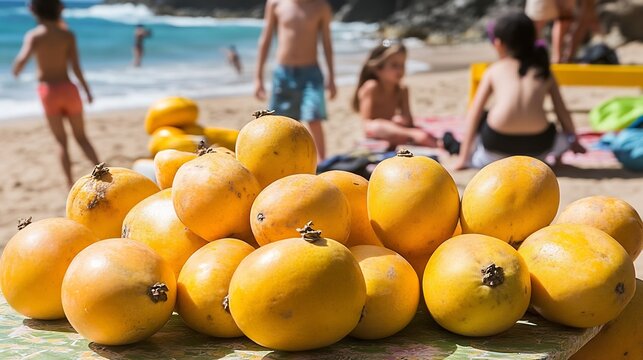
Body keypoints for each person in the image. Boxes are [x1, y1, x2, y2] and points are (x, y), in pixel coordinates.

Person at [454, 12, 586, 171]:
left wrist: (463, 159)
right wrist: (574, 140)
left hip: (497, 146)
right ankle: (558, 158)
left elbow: (474, 114)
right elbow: (561, 111)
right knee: (557, 134)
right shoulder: (543, 70)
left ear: (499, 43)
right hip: (538, 149)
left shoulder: (495, 70)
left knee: (483, 118)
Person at [12, 0, 100, 188]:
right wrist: (87, 90)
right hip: (69, 90)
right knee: (82, 137)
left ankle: (69, 183)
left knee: (61, 142)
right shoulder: (67, 34)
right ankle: (104, 171)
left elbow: (21, 60)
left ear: (34, 10)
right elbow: (76, 67)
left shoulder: (34, 36)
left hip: (49, 92)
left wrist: (16, 69)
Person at [254, 0, 337, 161]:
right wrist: (258, 78)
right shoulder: (275, 4)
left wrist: (332, 77)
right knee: (283, 122)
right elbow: (265, 40)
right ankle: (286, 161)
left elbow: (327, 43)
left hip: (311, 74)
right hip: (283, 74)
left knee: (314, 117)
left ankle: (322, 162)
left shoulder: (321, 7)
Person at [352, 40, 459, 152]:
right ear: (378, 69)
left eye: (402, 65)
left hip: (396, 130)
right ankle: (414, 136)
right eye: (394, 65)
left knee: (409, 131)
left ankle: (415, 137)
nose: (400, 70)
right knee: (376, 126)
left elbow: (409, 120)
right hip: (380, 130)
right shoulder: (371, 87)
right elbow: (367, 124)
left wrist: (402, 120)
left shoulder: (402, 90)